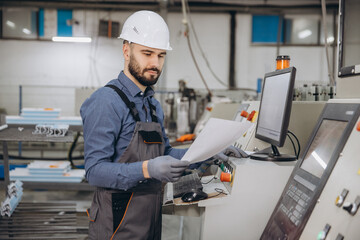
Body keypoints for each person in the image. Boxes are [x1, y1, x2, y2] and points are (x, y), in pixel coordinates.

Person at [81, 10, 245, 240]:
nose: (154, 63)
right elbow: (94, 171)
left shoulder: (152, 105)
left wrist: (207, 153)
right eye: (147, 53)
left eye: (160, 55)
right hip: (115, 228)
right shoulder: (106, 102)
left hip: (149, 224)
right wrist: (147, 169)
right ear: (126, 50)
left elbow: (165, 153)